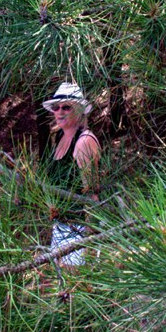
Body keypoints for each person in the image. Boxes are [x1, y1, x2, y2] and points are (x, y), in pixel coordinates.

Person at [42, 82, 100, 267]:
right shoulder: (59, 137)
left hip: (79, 227)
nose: (59, 111)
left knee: (76, 283)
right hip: (61, 224)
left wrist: (89, 241)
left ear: (80, 109)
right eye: (55, 107)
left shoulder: (84, 141)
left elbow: (92, 195)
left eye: (66, 107)